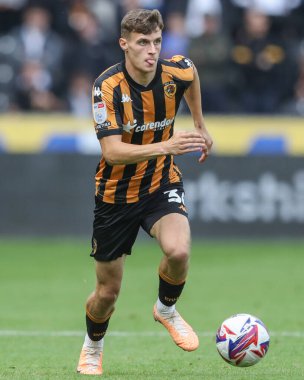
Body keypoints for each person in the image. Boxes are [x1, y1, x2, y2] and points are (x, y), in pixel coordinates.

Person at [77, 8, 213, 376]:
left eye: (156, 42)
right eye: (142, 43)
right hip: (115, 196)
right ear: (124, 44)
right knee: (107, 293)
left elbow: (192, 74)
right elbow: (112, 152)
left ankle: (166, 308)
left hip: (159, 183)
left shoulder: (175, 71)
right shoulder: (106, 87)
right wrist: (165, 146)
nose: (151, 50)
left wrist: (200, 126)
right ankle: (93, 346)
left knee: (179, 250)